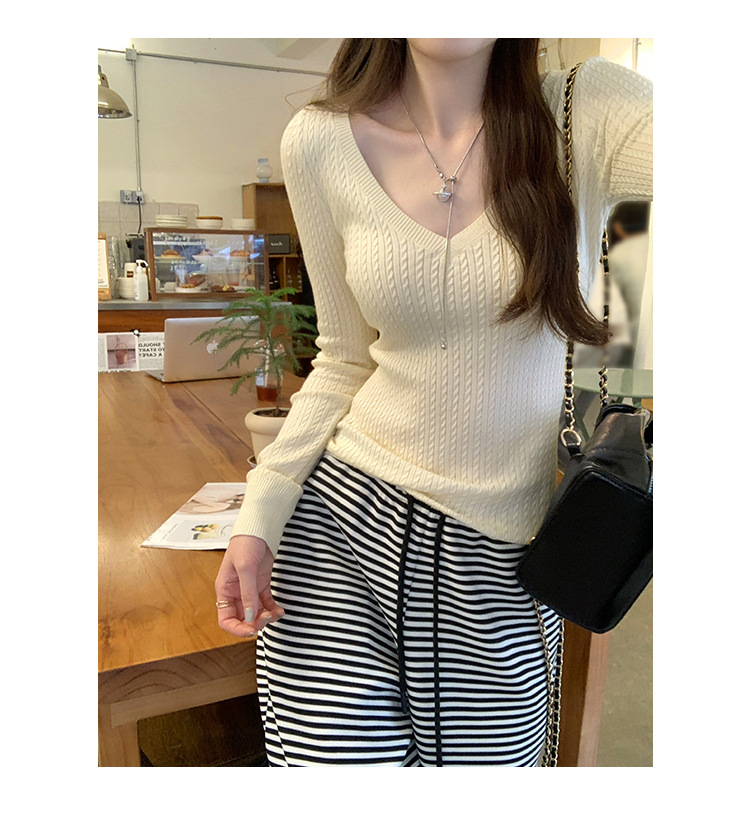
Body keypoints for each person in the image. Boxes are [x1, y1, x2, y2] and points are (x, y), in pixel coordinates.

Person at [214, 38, 653, 767]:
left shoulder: (589, 111)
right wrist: (260, 512)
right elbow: (343, 357)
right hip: (339, 534)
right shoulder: (318, 141)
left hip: (504, 566)